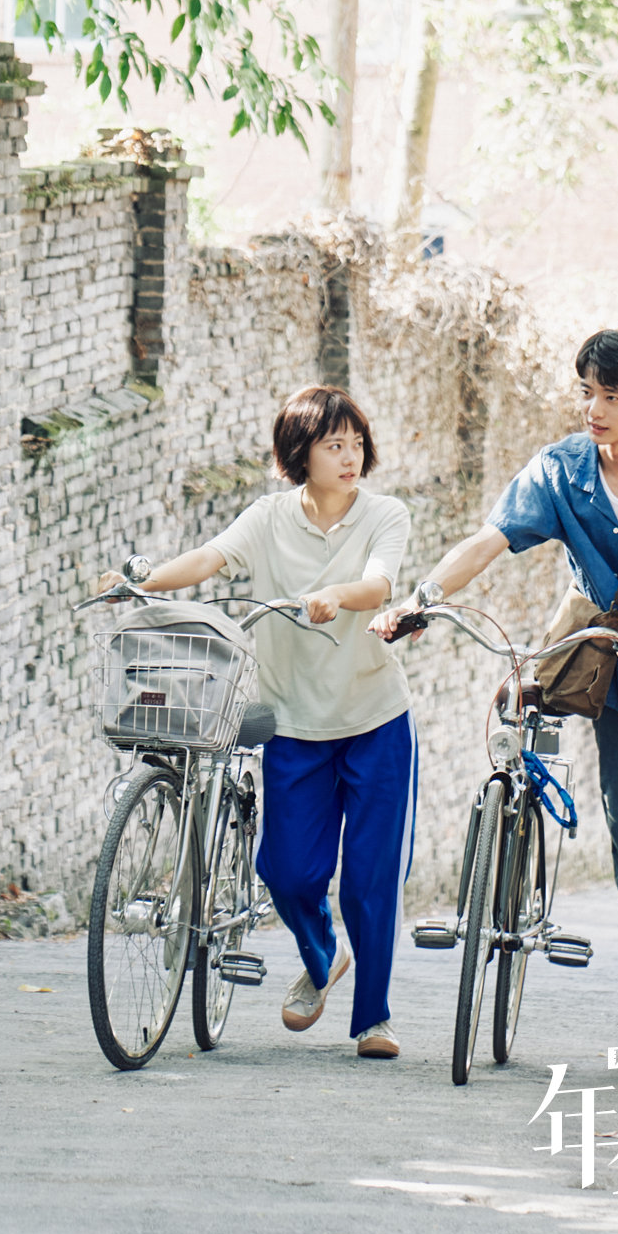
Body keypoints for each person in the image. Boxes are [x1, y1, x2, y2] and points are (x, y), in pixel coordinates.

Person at [372, 327, 618, 1081]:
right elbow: (488, 540)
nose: (594, 409)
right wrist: (423, 597)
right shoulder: (561, 470)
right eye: (587, 392)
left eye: (611, 396)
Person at [100, 384, 413, 1060]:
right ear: (300, 453)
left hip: (374, 718)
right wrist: (143, 582)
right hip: (294, 720)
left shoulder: (384, 514)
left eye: (356, 443)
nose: (350, 456)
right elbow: (209, 558)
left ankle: (374, 1019)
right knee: (287, 871)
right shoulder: (268, 518)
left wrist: (336, 594)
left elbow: (381, 584)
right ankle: (323, 956)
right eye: (333, 445)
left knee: (369, 878)